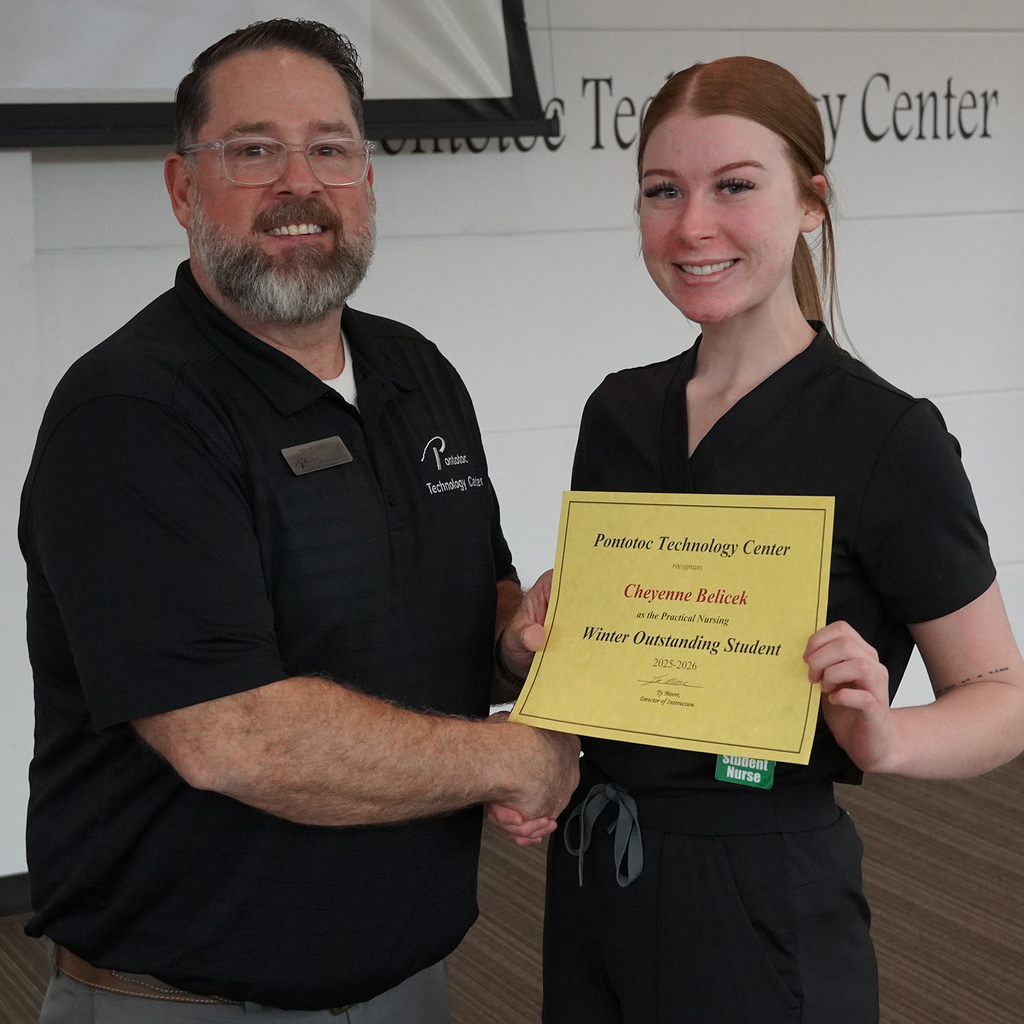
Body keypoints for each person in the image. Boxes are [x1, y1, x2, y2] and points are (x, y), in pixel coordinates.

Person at [19, 18, 579, 1022]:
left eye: (330, 147)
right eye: (252, 150)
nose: (299, 183)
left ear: (365, 177)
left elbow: (464, 592)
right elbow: (234, 735)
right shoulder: (134, 415)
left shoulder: (416, 372)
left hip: (407, 979)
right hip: (186, 1000)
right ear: (183, 188)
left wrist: (513, 638)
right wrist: (515, 756)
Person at [490, 56, 1024, 1024]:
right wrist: (551, 699)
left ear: (810, 202)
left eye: (734, 186)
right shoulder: (617, 410)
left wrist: (889, 734)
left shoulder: (885, 435)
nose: (692, 225)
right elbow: (625, 666)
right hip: (593, 864)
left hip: (764, 881)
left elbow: (1001, 696)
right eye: (663, 191)